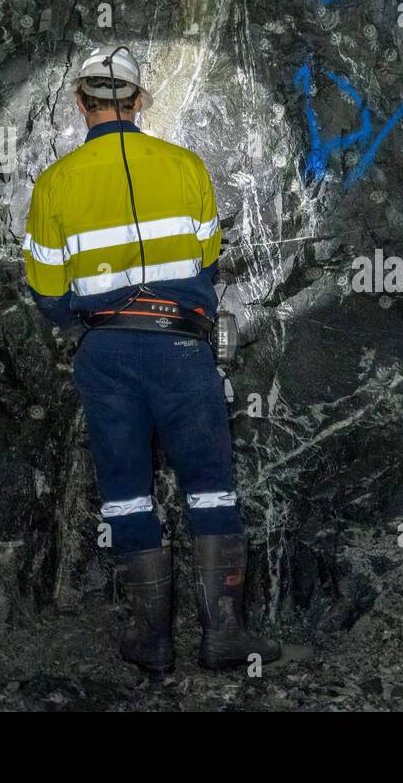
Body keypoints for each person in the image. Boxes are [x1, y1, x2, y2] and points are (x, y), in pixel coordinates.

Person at [22, 45, 280, 674]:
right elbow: (207, 262)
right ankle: (223, 637)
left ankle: (153, 642)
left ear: (82, 103)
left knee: (127, 494)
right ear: (138, 102)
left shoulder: (55, 183)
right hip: (182, 349)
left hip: (106, 354)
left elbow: (48, 293)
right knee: (212, 487)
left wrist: (89, 322)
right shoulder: (187, 167)